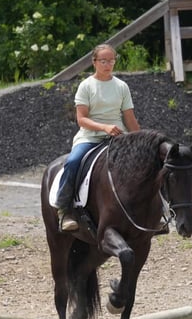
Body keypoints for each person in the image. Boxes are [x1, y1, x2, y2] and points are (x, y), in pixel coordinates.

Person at [54, 43, 140, 231]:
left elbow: (129, 118)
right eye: (103, 61)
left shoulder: (122, 86)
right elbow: (81, 119)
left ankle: (158, 210)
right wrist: (104, 127)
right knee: (73, 162)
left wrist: (141, 140)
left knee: (145, 163)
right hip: (90, 137)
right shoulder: (86, 86)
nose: (108, 64)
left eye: (111, 61)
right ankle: (64, 209)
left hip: (118, 137)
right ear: (94, 62)